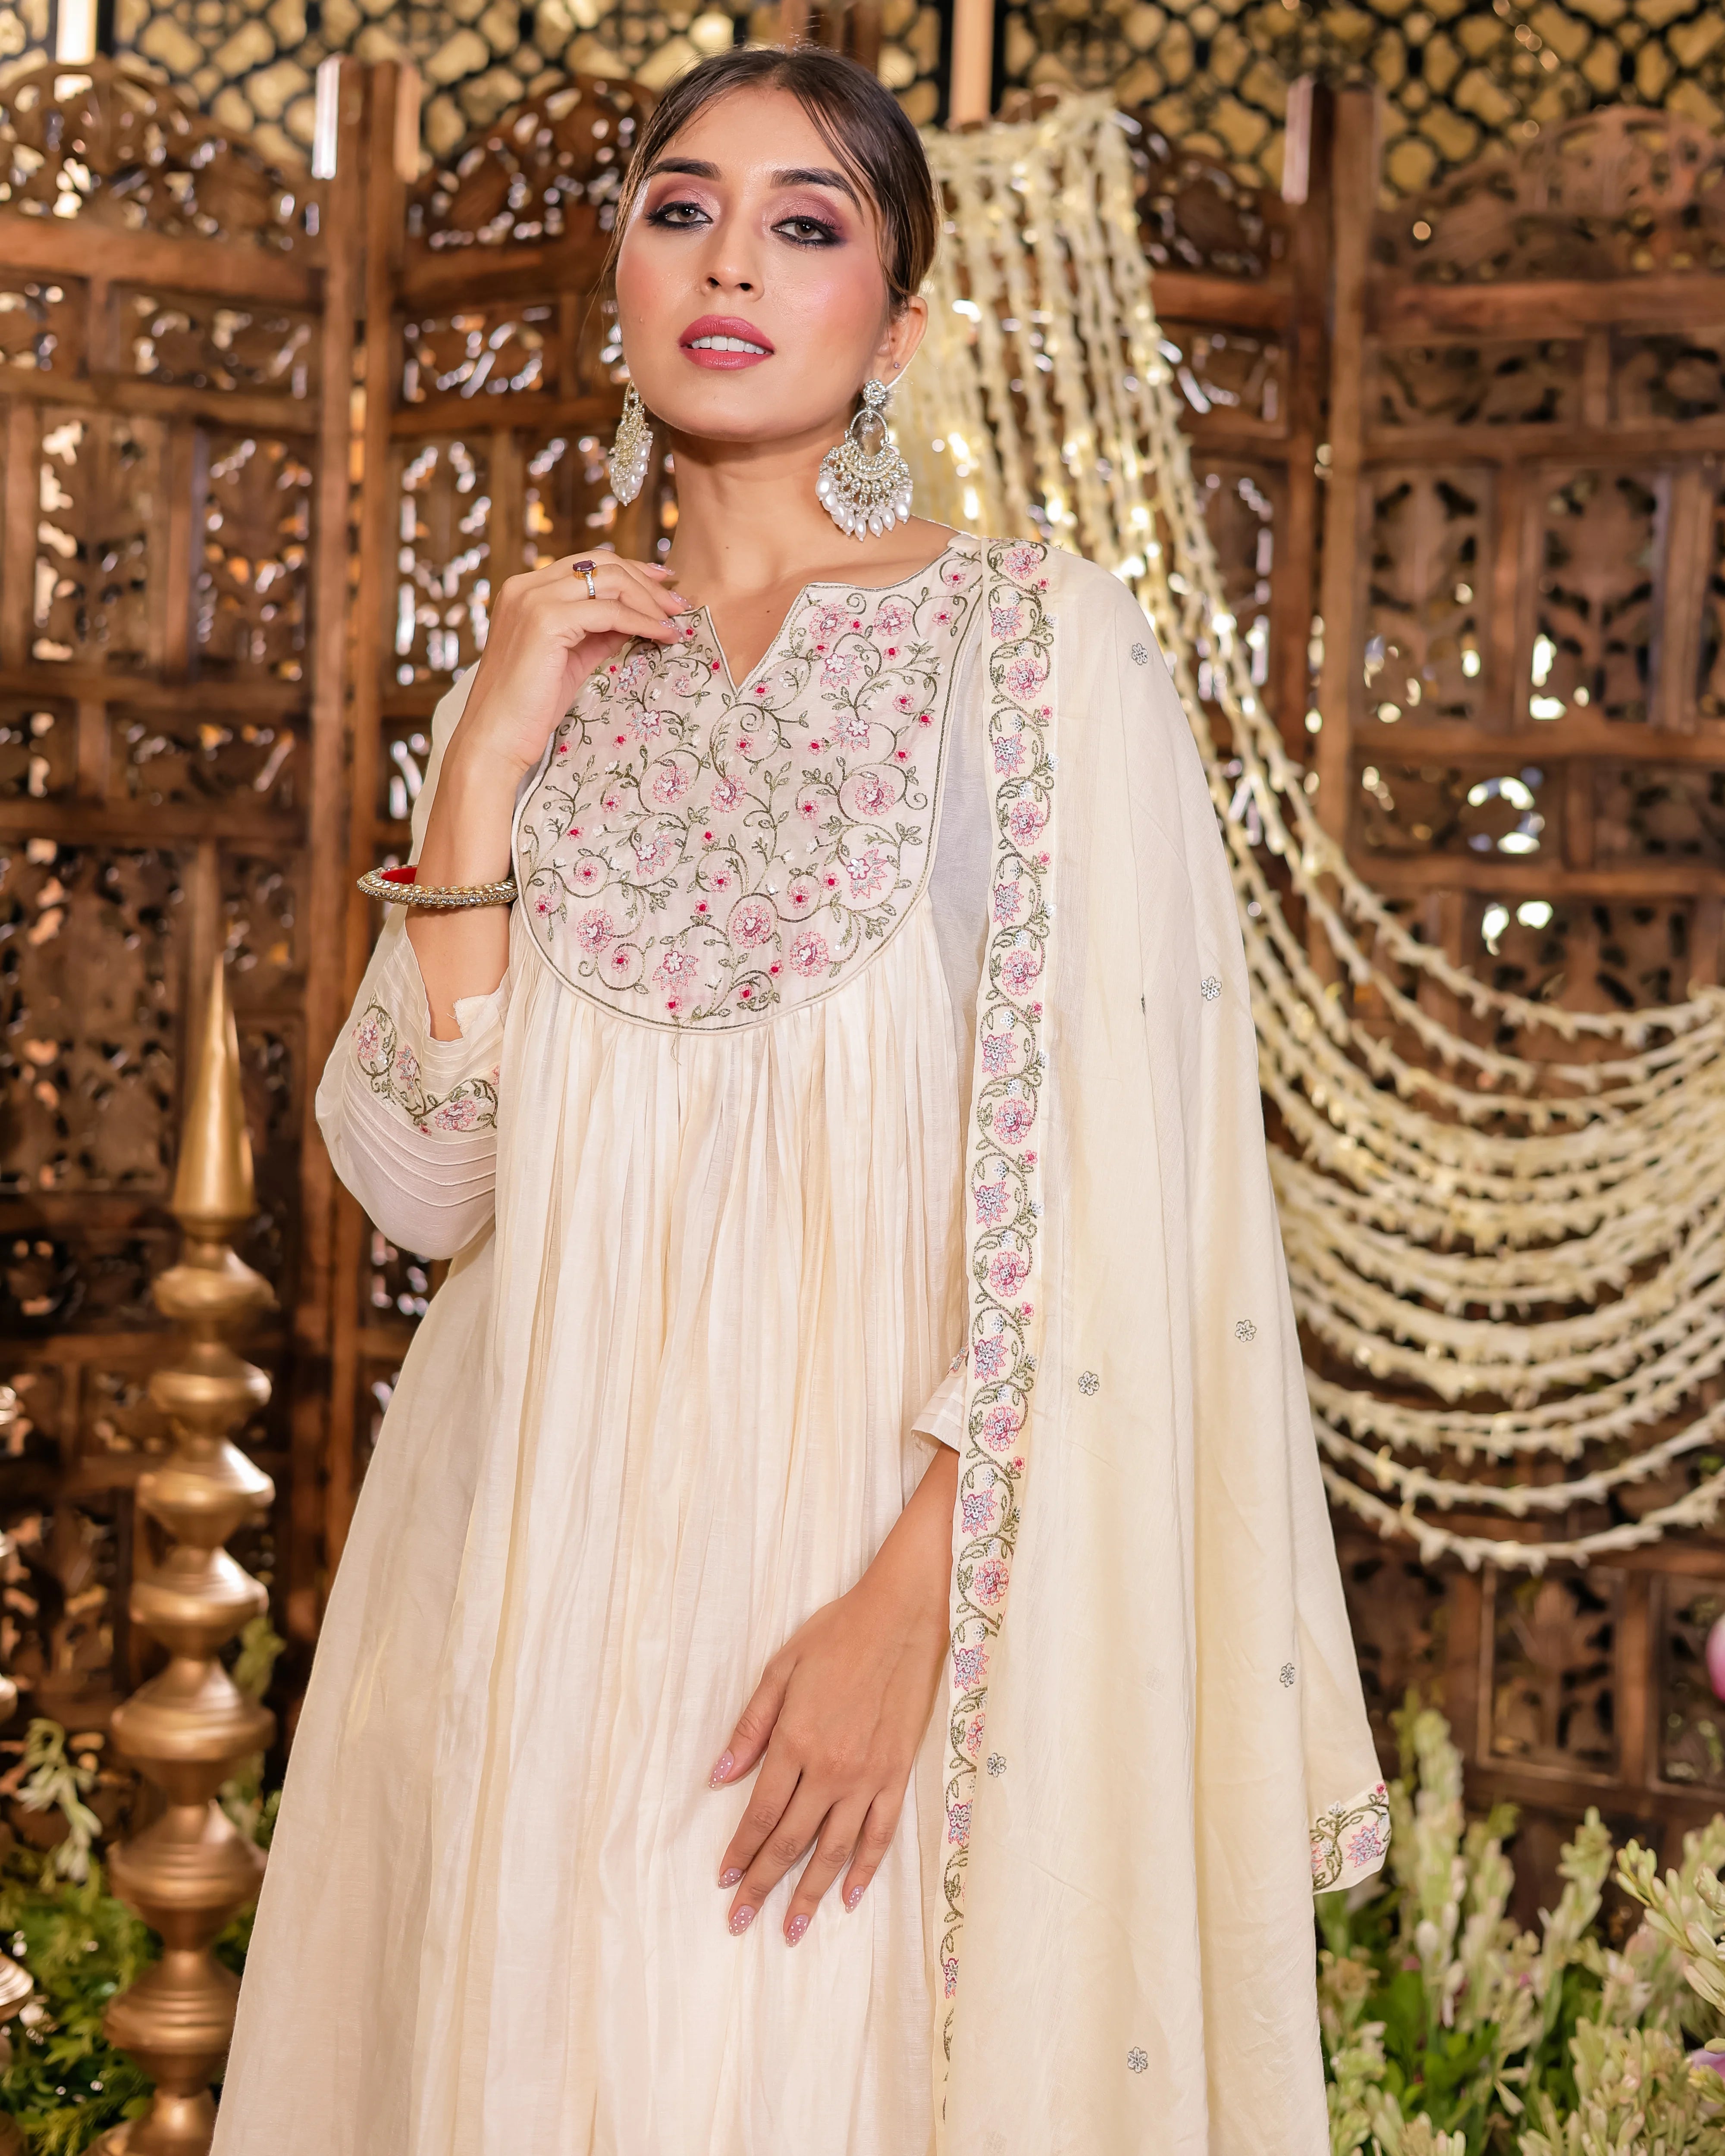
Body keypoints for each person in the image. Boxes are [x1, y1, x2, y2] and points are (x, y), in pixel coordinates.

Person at [213, 45, 1386, 2156]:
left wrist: (910, 1599)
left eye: (805, 221)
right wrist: (480, 765)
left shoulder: (1037, 652)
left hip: (869, 1594)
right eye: (680, 209)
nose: (730, 260)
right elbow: (421, 1183)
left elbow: (1110, 1203)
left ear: (899, 325)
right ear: (621, 283)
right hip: (532, 1584)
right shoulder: (540, 678)